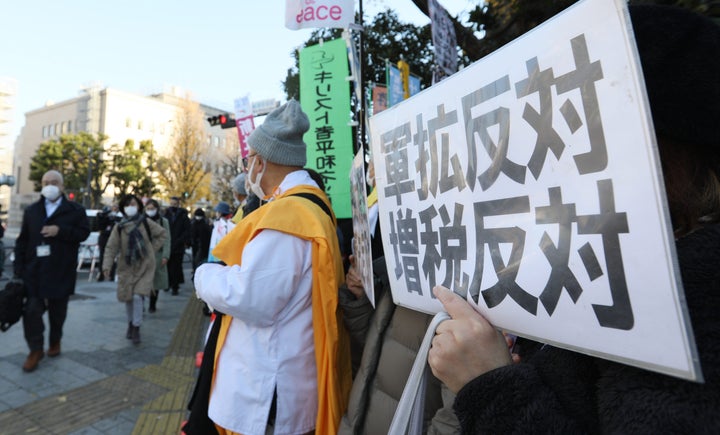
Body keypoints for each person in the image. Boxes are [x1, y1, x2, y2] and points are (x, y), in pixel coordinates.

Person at [426, 5, 720, 433]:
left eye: (575, 132)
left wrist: (490, 385)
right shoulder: (608, 254)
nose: (549, 162)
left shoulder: (696, 295)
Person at [186, 99, 351, 435]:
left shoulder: (288, 216)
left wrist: (205, 275)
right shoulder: (312, 207)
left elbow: (251, 297)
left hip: (268, 388)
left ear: (261, 161)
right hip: (284, 374)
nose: (248, 167)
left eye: (250, 159)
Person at [13, 170, 90, 372]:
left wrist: (60, 231)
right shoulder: (32, 211)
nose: (49, 185)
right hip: (34, 273)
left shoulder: (75, 210)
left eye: (54, 182)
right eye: (46, 182)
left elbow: (83, 233)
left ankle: (55, 341)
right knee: (31, 312)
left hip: (60, 271)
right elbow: (22, 241)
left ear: (62, 186)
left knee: (58, 313)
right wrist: (19, 270)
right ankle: (35, 349)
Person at [102, 194, 167, 344]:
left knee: (138, 297)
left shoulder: (146, 222)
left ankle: (136, 327)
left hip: (145, 266)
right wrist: (106, 265)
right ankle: (130, 323)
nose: (131, 207)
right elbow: (111, 247)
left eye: (134, 204)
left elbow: (162, 234)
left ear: (138, 206)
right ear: (123, 208)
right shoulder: (119, 227)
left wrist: (150, 249)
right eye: (128, 204)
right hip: (126, 267)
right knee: (128, 298)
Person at [144, 199, 170, 313]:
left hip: (157, 255)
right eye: (148, 209)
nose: (150, 211)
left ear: (157, 209)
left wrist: (166, 255)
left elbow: (167, 239)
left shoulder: (163, 221)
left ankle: (152, 304)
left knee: (155, 282)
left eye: (152, 209)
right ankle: (140, 304)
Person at [164, 196, 190, 295]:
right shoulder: (166, 214)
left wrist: (181, 240)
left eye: (175, 204)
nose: (173, 206)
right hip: (168, 244)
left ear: (178, 205)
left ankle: (175, 286)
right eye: (171, 204)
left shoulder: (183, 216)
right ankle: (168, 283)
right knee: (167, 266)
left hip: (178, 246)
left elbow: (187, 230)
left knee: (176, 267)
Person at [96, 202, 120, 281]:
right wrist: (106, 215)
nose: (115, 209)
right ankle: (101, 274)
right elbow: (100, 225)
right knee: (102, 257)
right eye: (113, 207)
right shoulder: (106, 216)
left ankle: (111, 276)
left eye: (116, 207)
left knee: (113, 258)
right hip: (104, 240)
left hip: (114, 240)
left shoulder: (119, 218)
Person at [190, 208, 212, 275]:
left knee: (197, 259)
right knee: (197, 259)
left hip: (201, 245)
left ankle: (196, 270)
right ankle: (196, 270)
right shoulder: (203, 224)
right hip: (198, 245)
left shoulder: (195, 223)